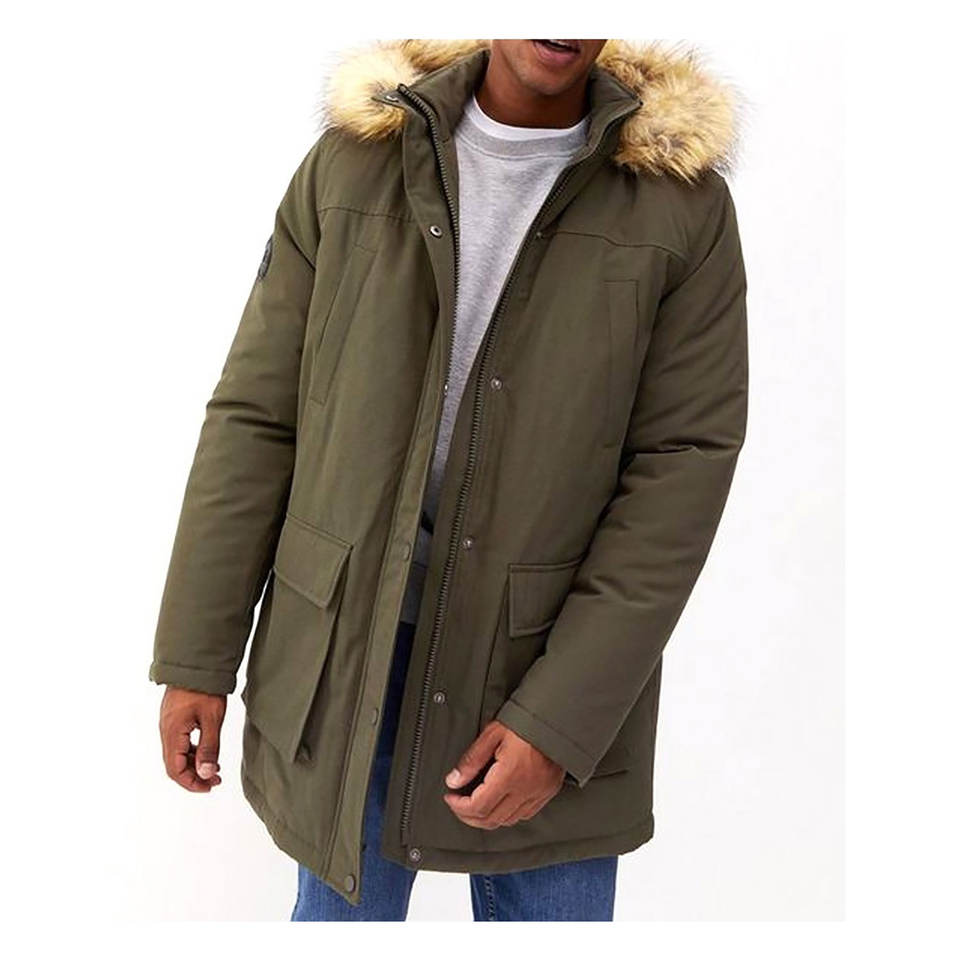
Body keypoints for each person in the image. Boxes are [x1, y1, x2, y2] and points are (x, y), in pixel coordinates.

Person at [150, 38, 748, 921]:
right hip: (349, 651)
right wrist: (198, 653)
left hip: (544, 661)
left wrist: (560, 719)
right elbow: (256, 416)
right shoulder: (355, 162)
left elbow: (682, 469)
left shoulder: (678, 205)